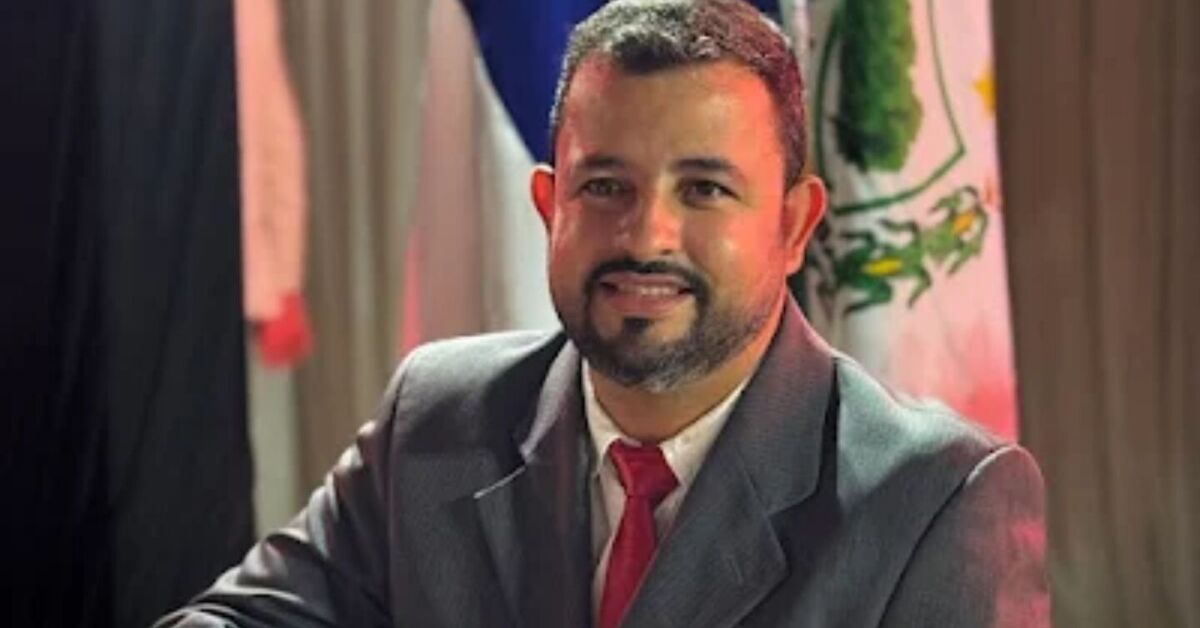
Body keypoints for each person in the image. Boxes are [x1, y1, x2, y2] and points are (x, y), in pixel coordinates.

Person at [157, 0, 1048, 625]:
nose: (647, 233)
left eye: (704, 188)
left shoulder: (937, 499)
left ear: (792, 227)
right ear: (550, 208)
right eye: (605, 186)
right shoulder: (435, 414)